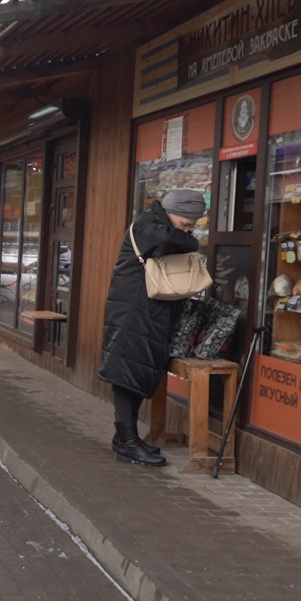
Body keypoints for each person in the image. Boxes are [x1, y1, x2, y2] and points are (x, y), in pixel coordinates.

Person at [98, 188, 206, 467]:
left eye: (191, 227)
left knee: (136, 373)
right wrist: (190, 241)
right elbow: (169, 240)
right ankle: (127, 442)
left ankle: (125, 438)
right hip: (132, 311)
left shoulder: (158, 224)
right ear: (171, 212)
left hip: (144, 312)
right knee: (126, 373)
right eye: (185, 224)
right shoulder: (148, 226)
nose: (186, 231)